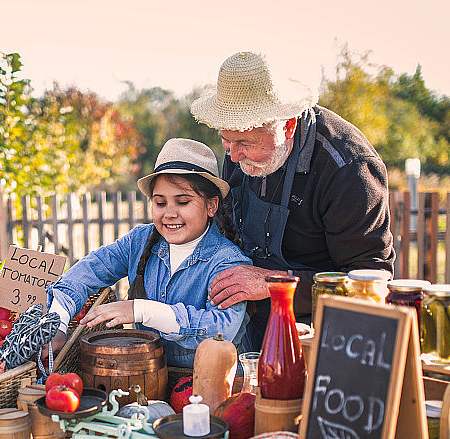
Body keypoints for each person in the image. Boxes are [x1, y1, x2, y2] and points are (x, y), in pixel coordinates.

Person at [190, 51, 395, 349]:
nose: (233, 156)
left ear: (287, 126)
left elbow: (372, 281)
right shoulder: (238, 150)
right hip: (251, 321)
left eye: (245, 143)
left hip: (323, 334)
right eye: (226, 140)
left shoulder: (347, 169)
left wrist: (275, 284)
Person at [43, 138, 250, 369]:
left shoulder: (227, 260)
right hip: (146, 377)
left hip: (208, 384)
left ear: (211, 206)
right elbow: (89, 270)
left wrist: (140, 310)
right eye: (160, 203)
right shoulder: (140, 241)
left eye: (182, 202)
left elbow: (220, 329)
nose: (170, 213)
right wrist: (57, 324)